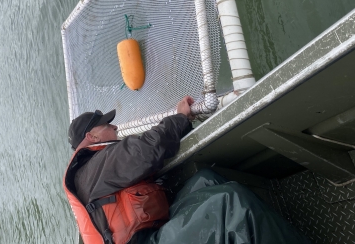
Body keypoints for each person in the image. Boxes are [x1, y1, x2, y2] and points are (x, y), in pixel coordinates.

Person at [63, 96, 311, 244]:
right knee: (231, 202)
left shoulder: (88, 171)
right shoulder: (93, 167)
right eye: (108, 124)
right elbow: (146, 150)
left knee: (206, 179)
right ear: (91, 136)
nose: (115, 126)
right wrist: (181, 118)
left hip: (153, 231)